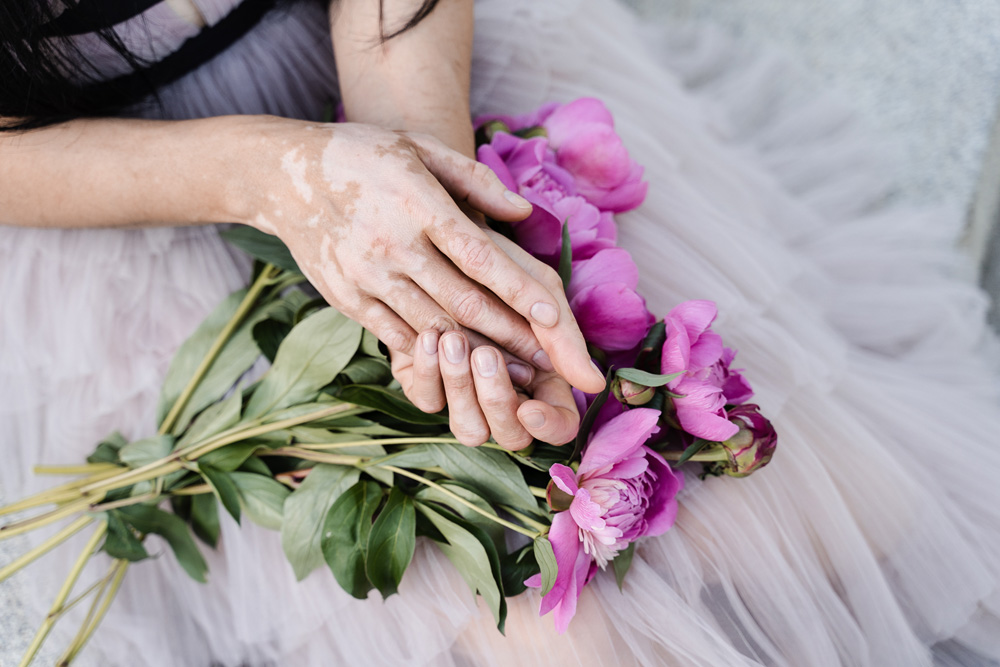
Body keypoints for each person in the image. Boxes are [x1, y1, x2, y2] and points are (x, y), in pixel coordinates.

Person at [2, 0, 1000, 665]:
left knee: (856, 519)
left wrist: (435, 192)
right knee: (565, 639)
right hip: (121, 183)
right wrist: (276, 179)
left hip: (395, 44)